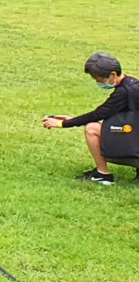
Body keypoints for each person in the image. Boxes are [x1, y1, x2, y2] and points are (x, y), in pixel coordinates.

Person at [42, 52, 139, 184]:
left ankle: (103, 174)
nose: (98, 82)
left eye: (99, 79)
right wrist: (72, 119)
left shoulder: (123, 92)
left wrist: (63, 124)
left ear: (113, 75)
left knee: (92, 128)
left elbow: (98, 115)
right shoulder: (132, 84)